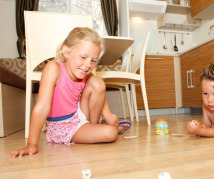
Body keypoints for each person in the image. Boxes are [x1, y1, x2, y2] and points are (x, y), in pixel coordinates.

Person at [9, 27, 130, 158]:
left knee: (97, 81)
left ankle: (93, 128)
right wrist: (32, 144)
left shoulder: (84, 74)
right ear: (66, 52)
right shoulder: (53, 68)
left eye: (93, 60)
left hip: (79, 116)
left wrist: (107, 112)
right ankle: (101, 131)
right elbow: (42, 107)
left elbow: (98, 89)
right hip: (63, 126)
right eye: (83, 57)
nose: (88, 64)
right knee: (110, 133)